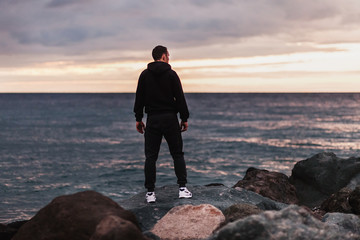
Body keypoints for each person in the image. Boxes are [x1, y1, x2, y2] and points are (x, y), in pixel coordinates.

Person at [134, 45, 192, 203]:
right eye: (168, 55)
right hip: (170, 118)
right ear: (164, 56)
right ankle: (182, 189)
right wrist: (184, 118)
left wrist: (138, 119)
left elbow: (139, 98)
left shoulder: (145, 75)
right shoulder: (171, 74)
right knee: (177, 154)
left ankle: (150, 193)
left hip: (152, 119)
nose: (169, 57)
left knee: (151, 157)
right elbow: (180, 98)